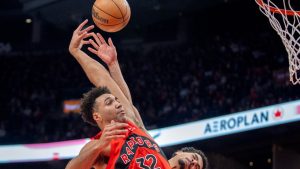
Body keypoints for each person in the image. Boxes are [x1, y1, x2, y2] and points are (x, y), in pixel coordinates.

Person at [66, 19, 208, 169]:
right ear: (179, 152)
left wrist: (113, 66)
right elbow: (105, 82)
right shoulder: (105, 143)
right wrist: (77, 52)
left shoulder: (136, 132)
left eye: (196, 167)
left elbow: (122, 98)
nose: (193, 163)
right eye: (194, 158)